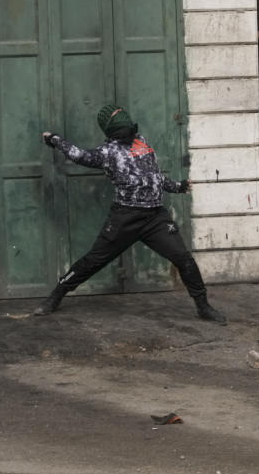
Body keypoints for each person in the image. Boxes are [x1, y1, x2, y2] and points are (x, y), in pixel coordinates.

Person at [34, 105, 226, 324]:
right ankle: (56, 295)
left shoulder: (142, 141)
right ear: (111, 130)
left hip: (155, 217)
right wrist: (56, 139)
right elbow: (80, 156)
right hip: (125, 217)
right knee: (93, 261)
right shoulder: (108, 152)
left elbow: (154, 176)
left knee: (184, 259)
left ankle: (203, 306)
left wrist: (178, 187)